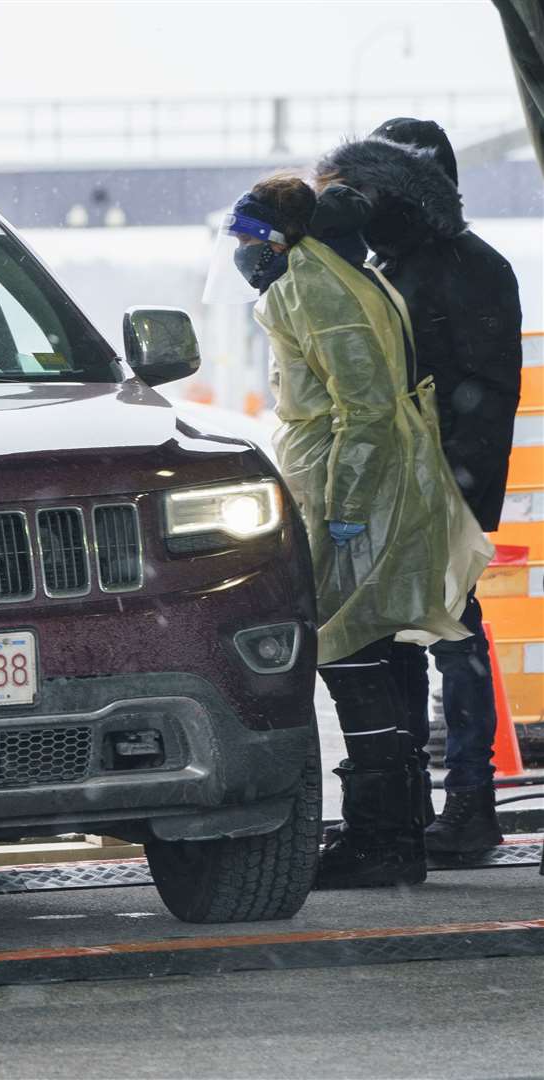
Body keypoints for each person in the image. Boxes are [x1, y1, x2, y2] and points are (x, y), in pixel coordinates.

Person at [206, 175, 491, 889]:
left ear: (276, 239)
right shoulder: (337, 274)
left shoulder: (307, 285)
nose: (240, 256)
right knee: (372, 650)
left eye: (246, 240)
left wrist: (344, 508)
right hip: (369, 477)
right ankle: (390, 832)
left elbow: (359, 409)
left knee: (347, 652)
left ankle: (381, 835)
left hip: (351, 484)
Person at [316, 120, 525, 856]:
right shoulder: (405, 262)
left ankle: (464, 802)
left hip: (436, 483)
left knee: (447, 629)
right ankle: (416, 802)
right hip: (415, 478)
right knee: (407, 632)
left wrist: (448, 487)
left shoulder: (456, 265)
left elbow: (479, 387)